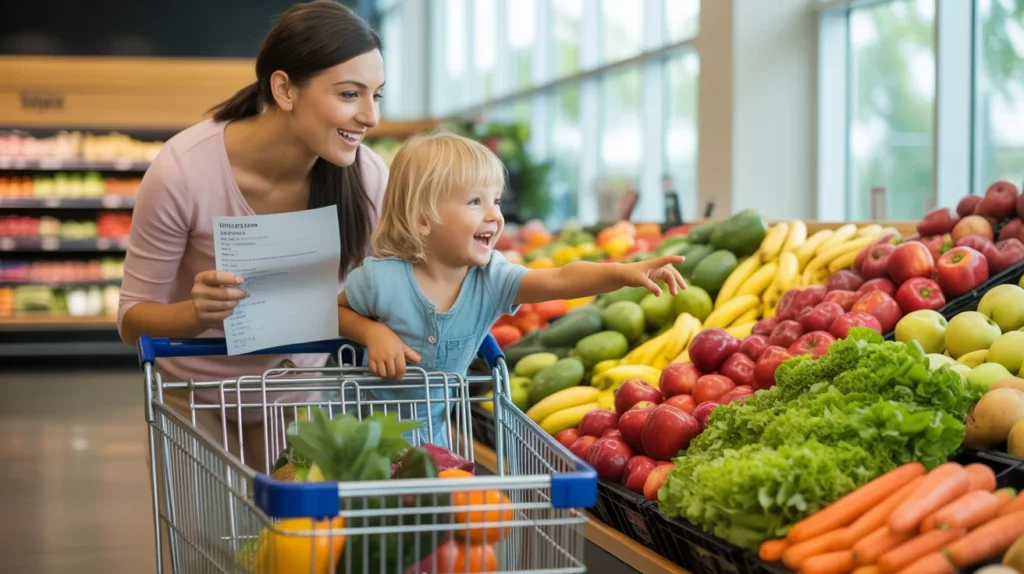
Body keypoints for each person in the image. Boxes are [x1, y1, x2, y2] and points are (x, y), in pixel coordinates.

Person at [118, 0, 395, 473]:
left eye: (377, 96)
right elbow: (131, 320)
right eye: (350, 94)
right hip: (195, 399)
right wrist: (194, 313)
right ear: (285, 89)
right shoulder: (183, 170)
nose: (370, 117)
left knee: (301, 542)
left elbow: (383, 291)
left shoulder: (367, 176)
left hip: (297, 398)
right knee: (217, 542)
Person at [337, 133, 686, 446]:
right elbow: (331, 313)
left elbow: (560, 279)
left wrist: (623, 273)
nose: (494, 215)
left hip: (433, 437)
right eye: (475, 202)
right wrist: (371, 332)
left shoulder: (491, 278)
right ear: (422, 219)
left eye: (497, 201)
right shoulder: (380, 280)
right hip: (359, 435)